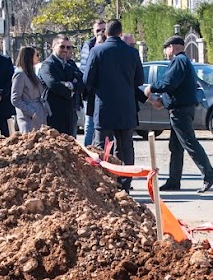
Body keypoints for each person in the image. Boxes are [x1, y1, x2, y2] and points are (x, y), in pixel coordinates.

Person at [146, 35, 213, 194]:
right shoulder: (183, 61)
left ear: (171, 47)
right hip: (180, 109)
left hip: (181, 112)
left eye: (166, 50)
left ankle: (209, 175)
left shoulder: (179, 61)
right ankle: (173, 181)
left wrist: (151, 88)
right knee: (176, 147)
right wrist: (163, 102)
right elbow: (177, 89)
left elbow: (168, 83)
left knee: (189, 143)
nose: (166, 53)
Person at [84, 18, 143, 190]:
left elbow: (87, 79)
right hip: (126, 107)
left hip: (104, 107)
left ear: (106, 33)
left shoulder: (97, 51)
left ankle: (102, 183)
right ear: (120, 33)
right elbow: (139, 79)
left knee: (100, 146)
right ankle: (125, 183)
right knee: (125, 147)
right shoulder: (132, 53)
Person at [38, 35, 82, 136]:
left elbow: (82, 82)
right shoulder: (47, 65)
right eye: (62, 47)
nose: (65, 50)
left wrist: (70, 85)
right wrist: (70, 91)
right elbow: (53, 84)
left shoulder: (70, 64)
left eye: (68, 47)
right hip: (53, 113)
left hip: (69, 113)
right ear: (53, 47)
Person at [79, 19, 107, 147]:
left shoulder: (110, 44)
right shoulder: (89, 45)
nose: (101, 33)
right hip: (90, 93)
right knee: (89, 124)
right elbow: (85, 69)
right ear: (93, 31)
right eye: (98, 30)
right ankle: (87, 151)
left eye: (103, 30)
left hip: (105, 92)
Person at [11, 46, 48, 133]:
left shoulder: (32, 72)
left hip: (39, 116)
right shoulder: (20, 74)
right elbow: (15, 99)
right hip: (28, 119)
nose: (38, 57)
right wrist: (32, 112)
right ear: (29, 57)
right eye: (37, 55)